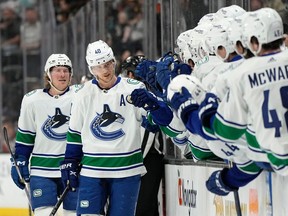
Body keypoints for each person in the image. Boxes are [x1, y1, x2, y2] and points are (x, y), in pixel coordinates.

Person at [60, 40, 173, 216]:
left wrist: (152, 104)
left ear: (114, 62)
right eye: (98, 67)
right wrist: (70, 161)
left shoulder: (133, 89)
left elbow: (164, 119)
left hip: (127, 170)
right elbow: (75, 134)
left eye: (107, 64)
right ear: (91, 69)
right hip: (92, 171)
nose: (104, 70)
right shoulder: (82, 94)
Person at [10, 53, 79, 215]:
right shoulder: (32, 100)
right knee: (43, 213)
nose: (62, 74)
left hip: (73, 169)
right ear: (48, 74)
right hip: (42, 170)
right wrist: (20, 160)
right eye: (57, 70)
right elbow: (26, 136)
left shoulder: (80, 96)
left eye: (65, 70)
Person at [121, 55, 165, 216]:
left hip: (146, 157)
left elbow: (148, 132)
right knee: (145, 207)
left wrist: (132, 159)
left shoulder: (146, 91)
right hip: (136, 156)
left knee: (142, 207)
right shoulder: (126, 91)